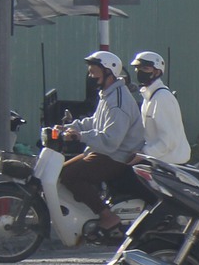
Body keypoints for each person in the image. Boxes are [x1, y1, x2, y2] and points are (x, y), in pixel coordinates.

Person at [56, 50, 145, 240]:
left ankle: (107, 216)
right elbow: (94, 122)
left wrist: (80, 137)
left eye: (94, 72)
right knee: (60, 171)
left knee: (70, 176)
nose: (90, 76)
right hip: (103, 151)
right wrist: (68, 127)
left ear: (108, 72)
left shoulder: (118, 102)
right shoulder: (108, 95)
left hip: (116, 156)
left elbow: (111, 140)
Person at [131, 51, 191, 164]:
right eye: (138, 68)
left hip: (169, 164)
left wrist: (144, 153)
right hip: (157, 160)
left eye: (145, 68)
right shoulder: (149, 96)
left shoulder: (162, 98)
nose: (140, 72)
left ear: (157, 72)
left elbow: (168, 140)